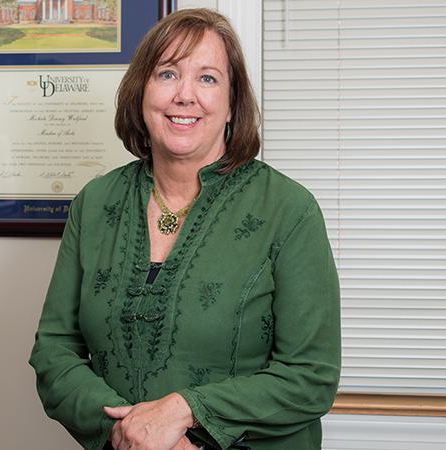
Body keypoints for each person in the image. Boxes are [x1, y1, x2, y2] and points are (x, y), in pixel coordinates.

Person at [29, 8, 341, 450]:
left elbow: (312, 377)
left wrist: (184, 411)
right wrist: (127, 431)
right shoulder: (95, 203)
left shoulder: (289, 210)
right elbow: (54, 351)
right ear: (142, 91)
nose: (185, 95)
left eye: (208, 78)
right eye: (168, 74)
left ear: (232, 103)